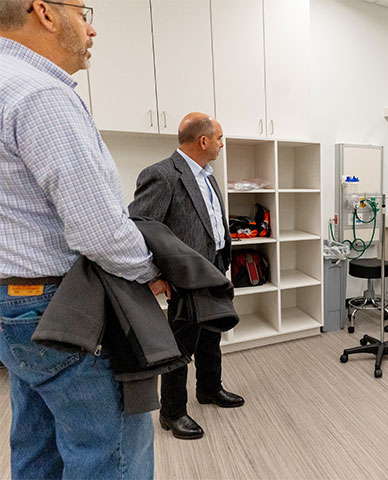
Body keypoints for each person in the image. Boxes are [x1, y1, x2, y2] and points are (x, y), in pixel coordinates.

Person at [0, 1, 165, 477]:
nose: (91, 29)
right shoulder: (41, 94)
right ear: (44, 13)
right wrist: (151, 273)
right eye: (82, 11)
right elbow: (99, 229)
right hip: (69, 308)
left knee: (36, 451)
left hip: (17, 308)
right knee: (109, 457)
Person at [129, 112, 245, 440]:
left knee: (211, 337)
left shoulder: (208, 175)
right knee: (181, 346)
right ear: (203, 140)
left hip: (214, 269)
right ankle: (172, 412)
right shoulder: (162, 174)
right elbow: (139, 226)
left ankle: (209, 389)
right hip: (186, 278)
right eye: (219, 138)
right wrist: (155, 274)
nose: (223, 144)